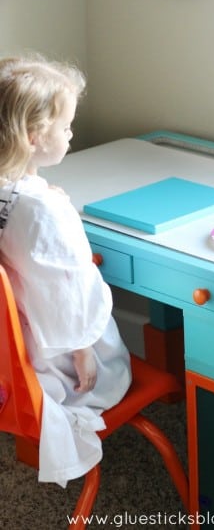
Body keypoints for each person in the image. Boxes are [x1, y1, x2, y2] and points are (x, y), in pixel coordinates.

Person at [0, 54, 131, 486]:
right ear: (35, 136)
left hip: (13, 355)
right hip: (59, 362)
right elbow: (69, 290)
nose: (72, 133)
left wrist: (44, 195)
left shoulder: (14, 189)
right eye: (67, 126)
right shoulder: (43, 208)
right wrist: (82, 349)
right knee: (111, 361)